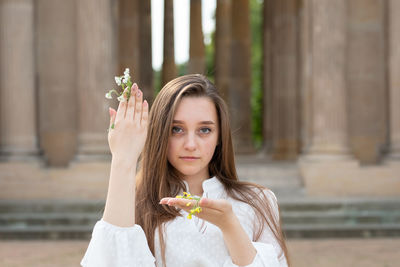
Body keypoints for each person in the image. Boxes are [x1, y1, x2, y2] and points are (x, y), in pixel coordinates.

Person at [80, 74, 290, 267]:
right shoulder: (134, 202)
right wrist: (123, 160)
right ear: (161, 133)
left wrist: (229, 225)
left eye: (204, 130)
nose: (190, 144)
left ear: (219, 137)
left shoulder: (257, 201)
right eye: (176, 129)